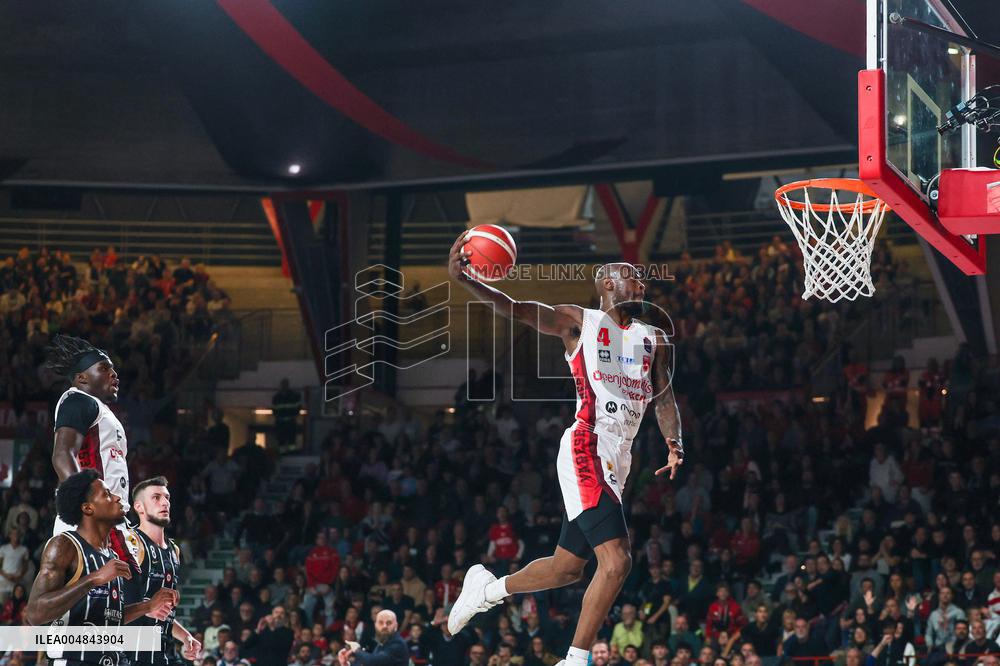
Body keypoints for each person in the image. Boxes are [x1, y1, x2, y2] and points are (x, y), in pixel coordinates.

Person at [446, 244, 683, 666]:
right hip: (587, 445)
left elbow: (664, 395)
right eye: (633, 277)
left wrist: (674, 441)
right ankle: (575, 660)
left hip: (619, 457)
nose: (642, 284)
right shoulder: (579, 321)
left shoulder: (654, 338)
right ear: (608, 283)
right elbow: (516, 309)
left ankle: (486, 590)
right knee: (617, 561)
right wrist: (467, 279)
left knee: (567, 568)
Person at [24, 470, 176, 665]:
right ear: (88, 508)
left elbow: (107, 619)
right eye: (107, 494)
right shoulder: (64, 545)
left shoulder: (112, 556)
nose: (117, 497)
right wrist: (93, 579)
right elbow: (35, 613)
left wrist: (148, 606)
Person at [43, 335, 139, 571]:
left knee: (123, 592)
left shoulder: (101, 410)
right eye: (104, 368)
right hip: (89, 520)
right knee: (89, 592)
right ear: (81, 377)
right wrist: (87, 507)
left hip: (107, 519)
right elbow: (62, 455)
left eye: (114, 369)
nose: (114, 374)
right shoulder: (78, 399)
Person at [124, 476, 202, 664]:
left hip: (165, 652)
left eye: (167, 497)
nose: (165, 502)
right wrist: (147, 607)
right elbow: (110, 608)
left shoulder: (174, 550)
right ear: (139, 507)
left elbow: (162, 612)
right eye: (156, 498)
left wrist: (184, 636)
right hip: (134, 655)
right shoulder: (130, 542)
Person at [338, 609, 408, 665]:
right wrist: (346, 664)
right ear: (375, 625)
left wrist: (356, 650)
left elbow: (373, 662)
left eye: (389, 623)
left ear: (396, 626)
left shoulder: (398, 643)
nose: (384, 626)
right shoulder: (383, 642)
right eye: (381, 623)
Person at [272, 378, 302, 450]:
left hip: (290, 422)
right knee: (281, 441)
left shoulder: (294, 396)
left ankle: (291, 453)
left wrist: (292, 416)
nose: (284, 386)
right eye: (283, 384)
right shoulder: (276, 397)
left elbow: (298, 408)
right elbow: (274, 410)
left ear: (288, 385)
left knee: (291, 440)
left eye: (285, 384)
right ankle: (283, 453)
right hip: (281, 423)